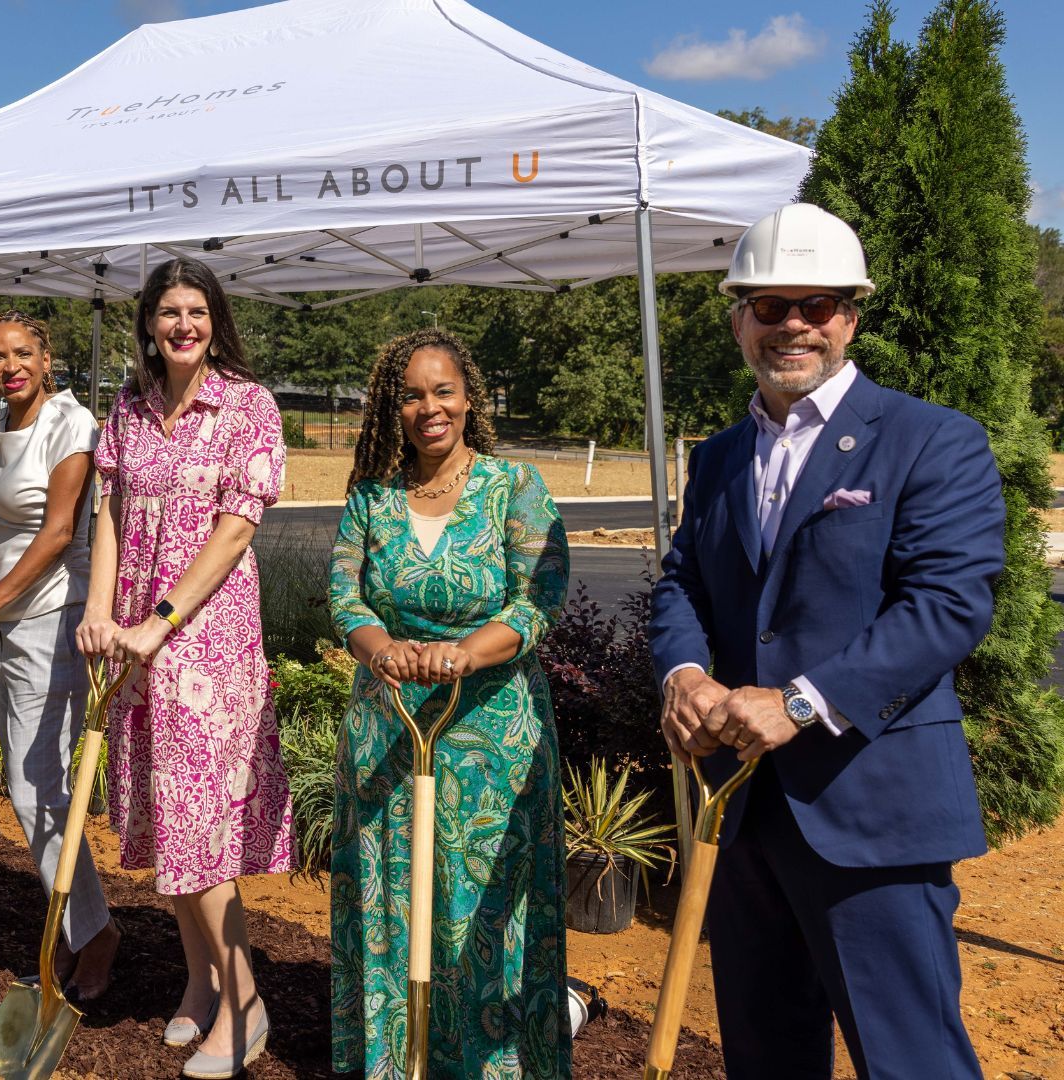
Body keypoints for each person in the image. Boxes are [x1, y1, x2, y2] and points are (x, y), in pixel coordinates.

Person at [650, 203, 1002, 1080]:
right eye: (770, 306)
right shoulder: (722, 456)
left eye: (819, 302)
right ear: (738, 318)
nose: (795, 323)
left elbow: (948, 606)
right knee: (766, 1056)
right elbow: (684, 582)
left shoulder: (934, 440)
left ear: (851, 315)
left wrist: (802, 702)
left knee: (910, 1059)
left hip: (871, 808)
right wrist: (686, 674)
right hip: (740, 806)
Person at [327, 328, 572, 1079]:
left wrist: (468, 653)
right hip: (389, 727)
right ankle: (399, 1062)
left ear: (469, 398)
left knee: (487, 910)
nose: (428, 407)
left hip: (493, 737)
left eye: (443, 391)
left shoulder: (514, 487)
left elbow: (540, 600)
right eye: (410, 394)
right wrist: (381, 650)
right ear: (389, 407)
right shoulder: (371, 498)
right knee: (392, 896)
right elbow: (344, 594)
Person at [75, 256, 293, 1078]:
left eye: (196, 311)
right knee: (166, 820)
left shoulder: (248, 406)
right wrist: (101, 611)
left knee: (201, 829)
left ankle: (244, 1004)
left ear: (216, 320)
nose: (183, 326)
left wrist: (160, 621)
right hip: (133, 638)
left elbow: (236, 529)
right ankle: (199, 985)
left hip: (207, 644)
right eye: (168, 311)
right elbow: (111, 512)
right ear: (148, 323)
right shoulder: (128, 410)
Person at [0, 310, 120, 999]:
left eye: (22, 354)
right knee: (32, 785)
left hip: (47, 618)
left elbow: (60, 530)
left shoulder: (72, 425)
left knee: (33, 782)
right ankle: (77, 925)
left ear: (47, 359)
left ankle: (95, 932)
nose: (9, 366)